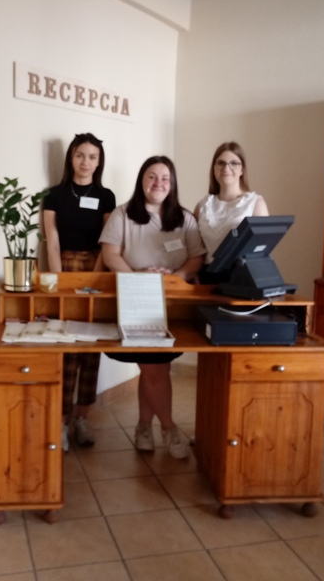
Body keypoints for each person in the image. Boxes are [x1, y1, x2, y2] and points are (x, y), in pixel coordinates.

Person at [99, 155, 205, 459]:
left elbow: (196, 258)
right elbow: (110, 254)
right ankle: (169, 429)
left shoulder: (185, 218)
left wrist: (175, 278)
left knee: (156, 368)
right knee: (154, 367)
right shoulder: (122, 214)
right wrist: (138, 279)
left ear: (172, 184)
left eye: (165, 178)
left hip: (172, 304)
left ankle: (144, 427)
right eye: (152, 176)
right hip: (135, 301)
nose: (158, 183)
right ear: (141, 180)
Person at [42, 133, 116, 451]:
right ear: (71, 158)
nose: (86, 162)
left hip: (97, 268)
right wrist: (60, 281)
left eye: (92, 157)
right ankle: (61, 422)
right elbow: (52, 239)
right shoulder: (55, 195)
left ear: (99, 162)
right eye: (80, 155)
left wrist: (95, 278)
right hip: (64, 267)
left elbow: (107, 241)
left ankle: (82, 418)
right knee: (67, 345)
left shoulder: (106, 196)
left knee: (91, 346)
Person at [194, 141, 269, 285]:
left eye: (234, 163)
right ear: (214, 169)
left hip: (241, 278)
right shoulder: (202, 206)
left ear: (242, 170)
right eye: (221, 163)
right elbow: (196, 249)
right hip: (207, 277)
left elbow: (261, 251)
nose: (226, 168)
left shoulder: (255, 203)